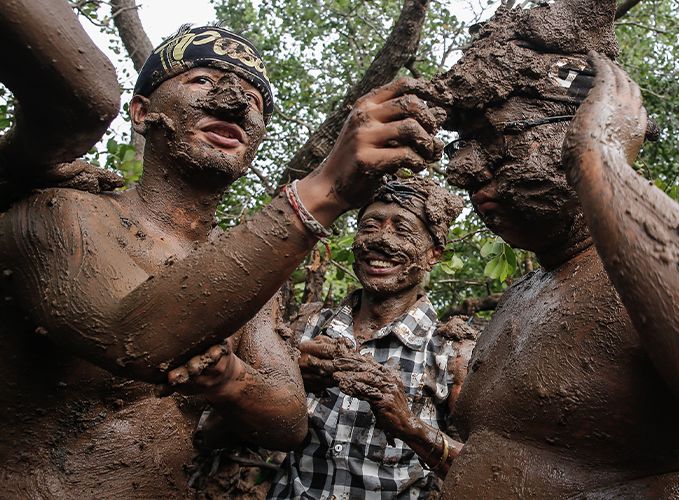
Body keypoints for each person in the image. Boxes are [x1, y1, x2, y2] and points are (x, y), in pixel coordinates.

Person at [0, 2, 442, 496]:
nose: (233, 102)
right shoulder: (60, 213)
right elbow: (132, 339)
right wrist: (323, 192)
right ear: (143, 113)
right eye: (201, 82)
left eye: (254, 99)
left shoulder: (245, 270)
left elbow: (289, 421)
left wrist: (229, 380)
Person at [422, 1, 679, 497]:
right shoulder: (522, 295)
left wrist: (602, 162)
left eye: (494, 136)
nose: (463, 169)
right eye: (460, 145)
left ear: (583, 128)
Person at [261, 176, 473, 498]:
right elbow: (227, 428)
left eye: (402, 230)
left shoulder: (452, 353)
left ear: (434, 254)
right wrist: (288, 376)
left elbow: (487, 467)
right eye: (370, 227)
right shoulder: (307, 327)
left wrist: (410, 427)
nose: (381, 240)